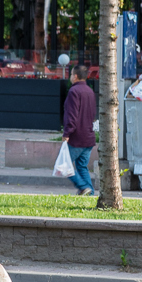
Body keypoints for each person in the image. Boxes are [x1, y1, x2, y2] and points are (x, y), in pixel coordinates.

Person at [62, 65, 97, 195]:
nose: (70, 77)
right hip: (89, 136)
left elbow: (71, 115)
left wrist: (67, 133)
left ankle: (83, 187)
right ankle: (90, 193)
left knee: (65, 165)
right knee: (82, 167)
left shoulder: (73, 92)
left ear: (75, 76)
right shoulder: (89, 91)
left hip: (77, 137)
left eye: (71, 74)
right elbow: (92, 113)